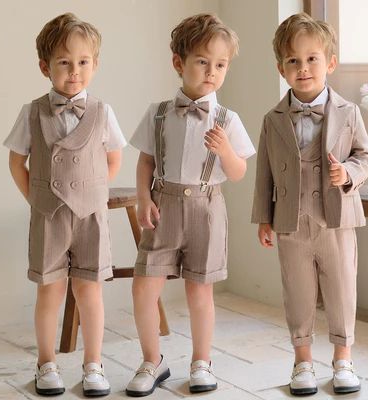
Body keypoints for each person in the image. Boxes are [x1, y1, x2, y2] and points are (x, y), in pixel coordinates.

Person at [126, 13, 255, 397]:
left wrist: (227, 151)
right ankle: (153, 360)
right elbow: (146, 161)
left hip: (206, 209)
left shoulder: (227, 119)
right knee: (144, 286)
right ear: (178, 63)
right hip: (163, 206)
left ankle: (202, 361)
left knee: (200, 290)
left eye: (221, 65)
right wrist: (143, 197)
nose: (212, 72)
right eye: (203, 61)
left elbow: (237, 172)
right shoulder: (159, 113)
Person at [251, 12, 368, 396]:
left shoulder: (348, 112)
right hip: (291, 221)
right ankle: (302, 361)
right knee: (298, 292)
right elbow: (264, 173)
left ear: (330, 63)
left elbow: (366, 156)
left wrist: (349, 174)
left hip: (337, 221)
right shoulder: (273, 120)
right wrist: (264, 219)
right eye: (293, 60)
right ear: (281, 68)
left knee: (341, 290)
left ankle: (343, 359)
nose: (303, 68)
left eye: (311, 59)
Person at [4, 12, 126, 397]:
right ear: (45, 67)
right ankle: (46, 363)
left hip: (90, 214)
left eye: (83, 62)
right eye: (64, 63)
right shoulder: (33, 111)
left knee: (90, 291)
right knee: (50, 291)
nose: (74, 72)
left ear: (95, 64)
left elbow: (113, 157)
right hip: (49, 215)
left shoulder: (102, 112)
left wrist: (94, 192)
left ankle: (94, 364)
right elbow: (15, 161)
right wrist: (37, 199)